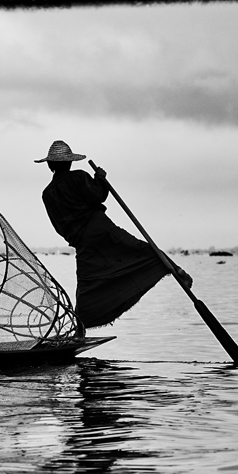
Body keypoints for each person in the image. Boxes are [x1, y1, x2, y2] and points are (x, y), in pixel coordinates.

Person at [35, 140, 192, 337]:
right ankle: (177, 270)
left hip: (81, 240)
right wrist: (100, 178)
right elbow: (98, 195)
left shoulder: (47, 194)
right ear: (69, 163)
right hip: (100, 229)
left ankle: (80, 329)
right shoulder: (78, 177)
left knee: (86, 283)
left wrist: (76, 234)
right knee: (140, 249)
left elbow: (59, 225)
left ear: (50, 166)